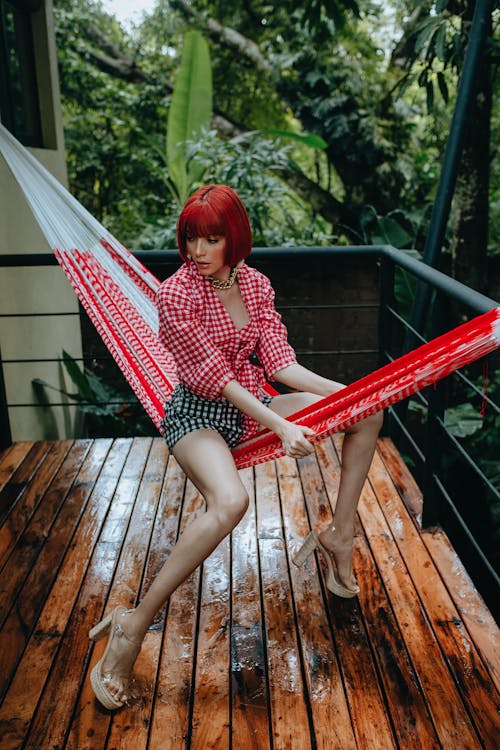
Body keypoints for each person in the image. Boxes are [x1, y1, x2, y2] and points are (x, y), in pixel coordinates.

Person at [88, 184, 383, 710]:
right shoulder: (176, 294)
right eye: (190, 239)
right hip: (199, 416)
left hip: (250, 411)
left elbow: (279, 363)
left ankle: (340, 534)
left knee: (368, 411)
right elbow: (216, 378)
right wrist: (282, 424)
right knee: (230, 503)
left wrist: (342, 394)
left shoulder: (256, 285)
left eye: (212, 238)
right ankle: (133, 624)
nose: (198, 251)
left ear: (234, 239)